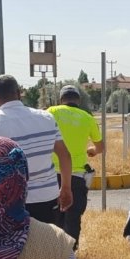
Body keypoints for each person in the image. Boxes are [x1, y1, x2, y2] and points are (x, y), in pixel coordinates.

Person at [0, 74, 73, 225]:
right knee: (48, 239)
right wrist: (66, 187)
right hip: (47, 197)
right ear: (19, 93)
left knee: (16, 241)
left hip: (11, 201)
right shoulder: (47, 118)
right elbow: (64, 155)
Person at [47, 85, 103, 249]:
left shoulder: (51, 112)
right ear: (78, 100)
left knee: (52, 218)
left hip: (51, 175)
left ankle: (53, 252)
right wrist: (91, 151)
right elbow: (100, 147)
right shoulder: (87, 118)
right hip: (77, 176)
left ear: (61, 100)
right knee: (73, 218)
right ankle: (70, 255)